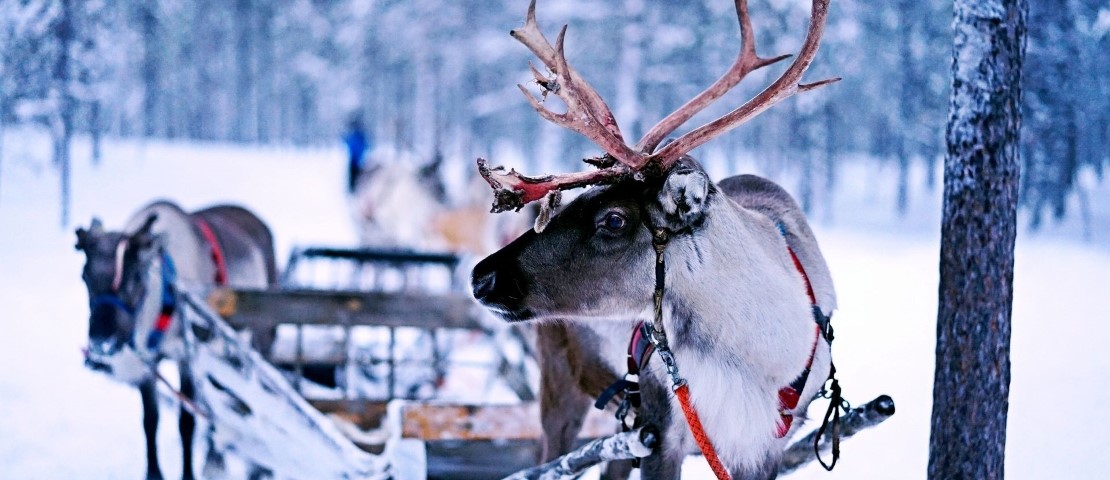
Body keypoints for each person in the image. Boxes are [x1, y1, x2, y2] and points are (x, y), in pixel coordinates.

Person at [343, 116, 371, 194]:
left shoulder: (357, 136)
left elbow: (349, 144)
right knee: (357, 177)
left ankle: (354, 191)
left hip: (356, 160)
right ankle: (354, 191)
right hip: (358, 160)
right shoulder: (360, 135)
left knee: (356, 177)